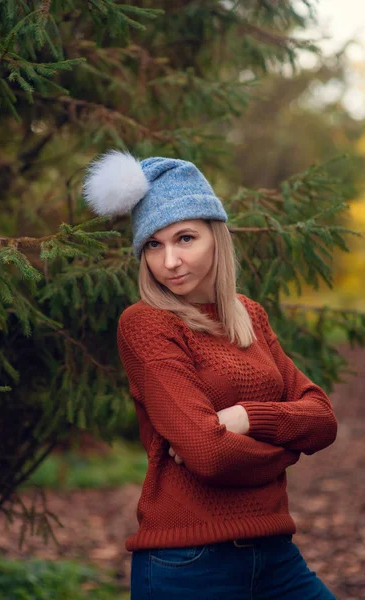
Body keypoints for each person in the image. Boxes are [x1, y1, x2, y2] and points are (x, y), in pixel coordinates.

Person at [83, 151, 338, 600]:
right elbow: (208, 455)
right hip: (189, 564)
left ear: (216, 237)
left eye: (185, 238)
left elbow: (322, 418)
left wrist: (244, 417)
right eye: (154, 245)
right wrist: (289, 448)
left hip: (277, 556)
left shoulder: (249, 316)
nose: (170, 261)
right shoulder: (146, 324)